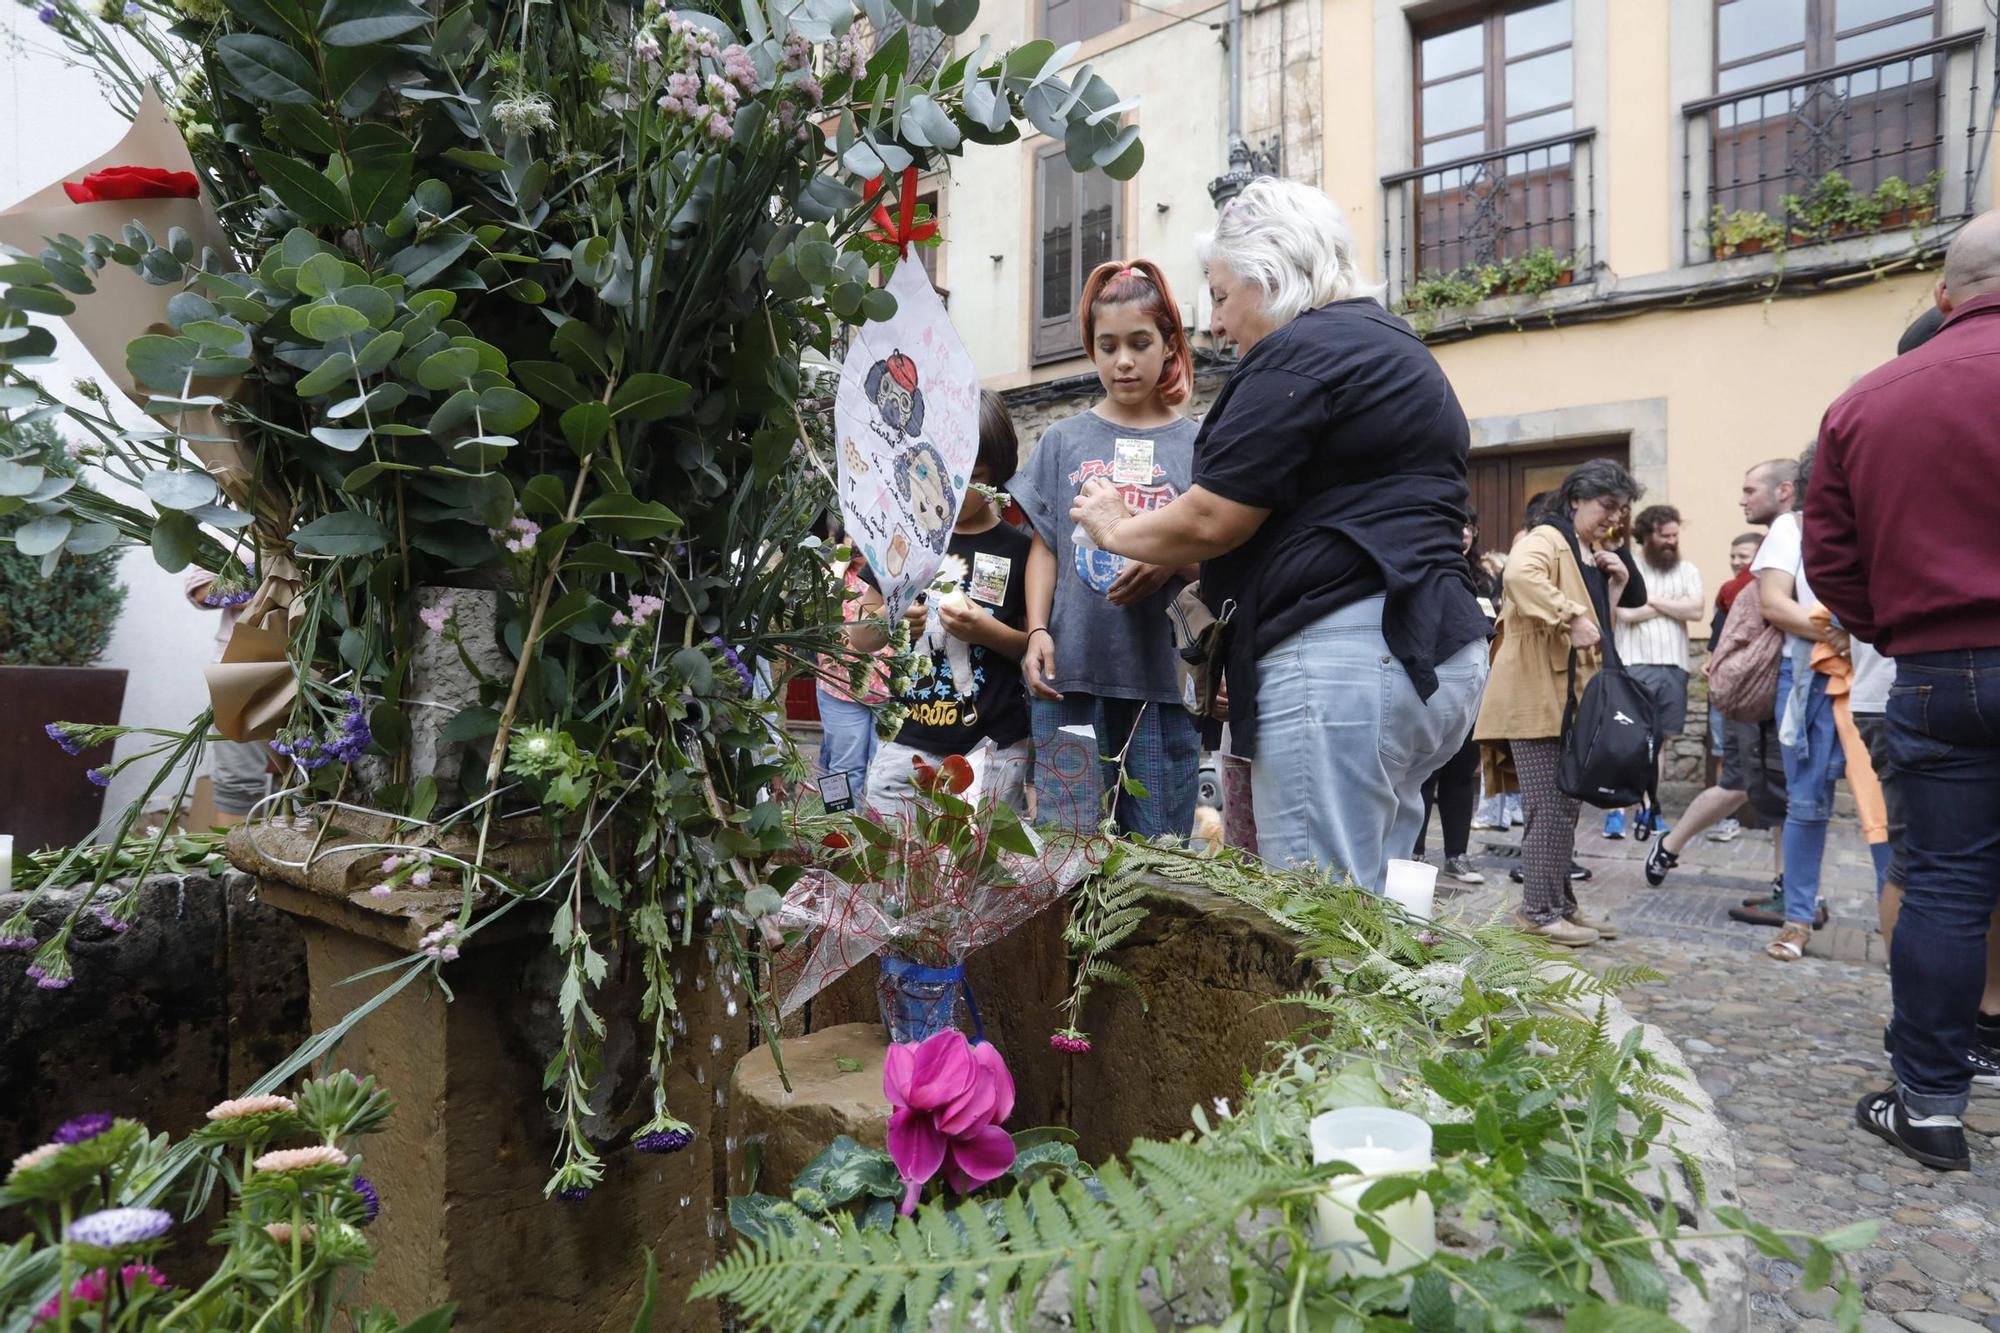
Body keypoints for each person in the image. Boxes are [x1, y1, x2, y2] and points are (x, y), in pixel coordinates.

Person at [1067, 177, 1489, 891]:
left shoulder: (1302, 351)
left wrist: (1117, 526)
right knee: (1372, 908)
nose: (1216, 325)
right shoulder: (1390, 346)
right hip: (1425, 653)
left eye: (1222, 295)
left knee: (1319, 923)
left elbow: (1213, 516)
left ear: (1272, 278)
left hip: (1346, 668)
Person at [1806, 210, 2000, 1169]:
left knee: (1946, 886)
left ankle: (1928, 1105)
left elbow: (1831, 562)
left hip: (1941, 664)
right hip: (1940, 652)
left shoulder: (1866, 402)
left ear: (1943, 295)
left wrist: (1901, 627)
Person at [1014, 260, 1202, 837]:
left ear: (1169, 344)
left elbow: (1218, 553)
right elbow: (1044, 546)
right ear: (1091, 349)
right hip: (1069, 678)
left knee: (1157, 856)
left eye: (1140, 343)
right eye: (1108, 345)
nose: (1124, 360)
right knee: (1064, 845)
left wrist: (1169, 557)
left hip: (1161, 686)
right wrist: (1038, 632)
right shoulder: (1062, 440)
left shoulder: (1197, 444)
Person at [1473, 459, 1646, 946]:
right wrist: (1569, 613)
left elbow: (1598, 631)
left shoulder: (1586, 550)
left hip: (1566, 698)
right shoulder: (1546, 538)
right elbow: (1520, 579)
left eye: (1621, 509)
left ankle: (1561, 904)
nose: (1613, 518)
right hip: (1533, 695)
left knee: (1564, 805)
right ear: (1576, 499)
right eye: (1606, 506)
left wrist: (1611, 587)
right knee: (1549, 807)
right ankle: (1538, 911)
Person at [855, 393, 1034, 816]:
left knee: (976, 871)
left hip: (993, 748)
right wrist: (895, 619)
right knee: (891, 864)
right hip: (906, 742)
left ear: (997, 477)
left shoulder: (1022, 549)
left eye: (973, 476)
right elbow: (861, 636)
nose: (953, 489)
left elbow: (1036, 645)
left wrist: (985, 632)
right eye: (943, 472)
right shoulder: (904, 538)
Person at [1752, 444, 1893, 963]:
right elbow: (1773, 602)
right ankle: (1797, 921)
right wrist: (1837, 633)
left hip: (1877, 677)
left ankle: (1894, 924)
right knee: (1807, 803)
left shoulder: (1884, 519)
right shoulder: (1792, 527)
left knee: (1885, 809)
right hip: (1810, 677)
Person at [1644, 463, 1795, 906]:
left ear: (1785, 490)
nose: (1742, 499)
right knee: (1741, 784)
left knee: (1785, 790)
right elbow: (1745, 622)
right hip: (1756, 690)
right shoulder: (1764, 558)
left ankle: (1787, 885)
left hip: (1787, 686)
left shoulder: (1789, 534)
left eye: (1750, 490)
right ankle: (1670, 845)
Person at [1605, 505, 1704, 841]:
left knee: (1658, 743)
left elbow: (1696, 609)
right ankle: (1615, 811)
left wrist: (1652, 602)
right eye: (1665, 535)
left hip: (1674, 665)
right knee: (1626, 741)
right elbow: (1626, 614)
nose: (1671, 542)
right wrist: (1670, 603)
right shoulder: (1629, 567)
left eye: (1675, 536)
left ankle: (1649, 808)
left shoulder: (1688, 569)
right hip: (1635, 663)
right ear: (1647, 535)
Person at [1415, 510, 1499, 884]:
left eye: (1469, 527)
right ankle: (1414, 852)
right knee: (1423, 774)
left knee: (1462, 773)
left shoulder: (1484, 579)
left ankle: (1457, 856)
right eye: (1457, 526)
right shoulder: (1427, 572)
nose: (1463, 533)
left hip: (1476, 688)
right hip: (1432, 687)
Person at [184, 567, 271, 827]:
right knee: (238, 781)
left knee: (321, 774)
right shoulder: (228, 527)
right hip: (241, 663)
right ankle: (235, 860)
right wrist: (279, 585)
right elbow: (202, 590)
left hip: (321, 660)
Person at [813, 520, 889, 810]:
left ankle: (877, 841)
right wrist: (841, 553)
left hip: (888, 690)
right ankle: (835, 835)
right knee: (842, 770)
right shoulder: (833, 572)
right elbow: (821, 602)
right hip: (839, 689)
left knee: (883, 771)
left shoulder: (890, 571)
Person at [1702, 531, 1763, 839]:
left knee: (1751, 753)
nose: (1737, 562)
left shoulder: (1763, 591)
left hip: (1750, 684)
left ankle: (1756, 816)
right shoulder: (1725, 593)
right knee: (1722, 751)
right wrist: (1711, 659)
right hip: (1724, 682)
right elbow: (1718, 635)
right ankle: (1726, 819)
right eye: (1733, 556)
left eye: (1744, 556)